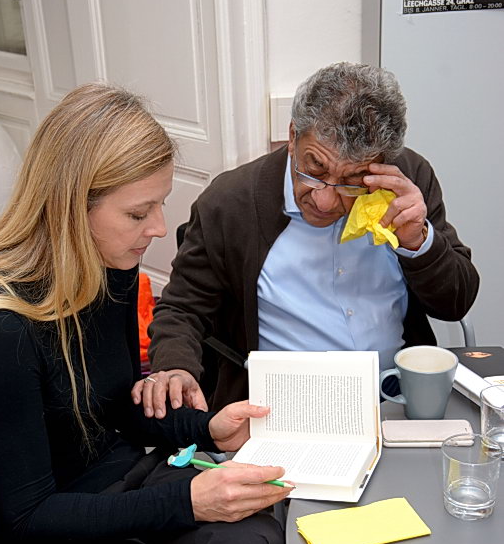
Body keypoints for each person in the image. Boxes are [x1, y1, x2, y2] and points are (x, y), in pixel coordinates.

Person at [0, 84, 373, 544]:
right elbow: (30, 515)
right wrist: (187, 501)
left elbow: (112, 408)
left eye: (159, 206)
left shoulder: (109, 269)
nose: (159, 229)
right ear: (71, 205)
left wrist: (209, 427)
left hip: (115, 484)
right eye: (139, 213)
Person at [144, 62, 479, 416]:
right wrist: (176, 368)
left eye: (352, 181)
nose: (324, 200)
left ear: (381, 162)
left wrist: (418, 243)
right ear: (292, 136)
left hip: (397, 399)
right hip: (285, 408)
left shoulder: (407, 182)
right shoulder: (231, 203)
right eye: (315, 168)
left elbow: (455, 304)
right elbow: (183, 309)